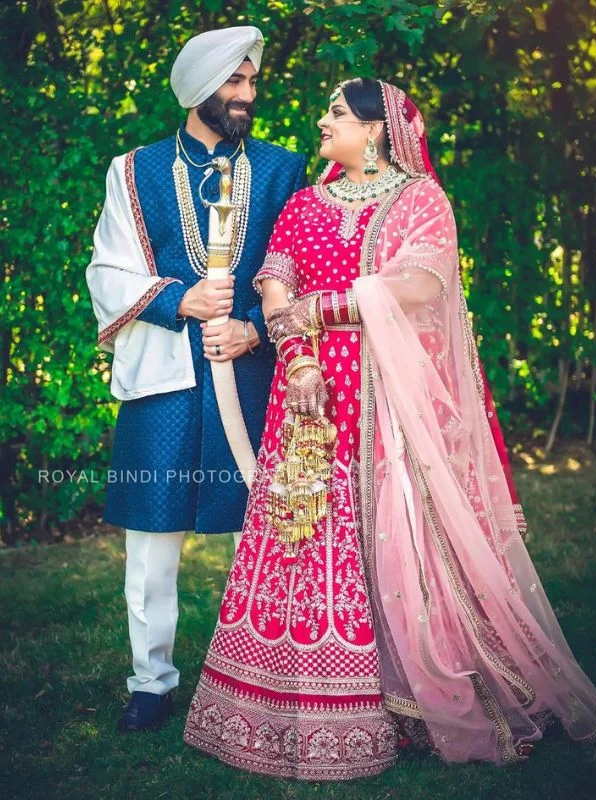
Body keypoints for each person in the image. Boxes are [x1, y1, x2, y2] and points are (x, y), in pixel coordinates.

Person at [183, 77, 596, 778]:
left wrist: (323, 310)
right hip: (311, 400)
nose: (322, 121)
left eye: (337, 113)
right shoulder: (304, 205)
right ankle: (308, 701)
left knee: (399, 535)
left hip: (391, 404)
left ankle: (412, 691)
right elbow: (275, 284)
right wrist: (300, 358)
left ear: (375, 131)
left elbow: (422, 285)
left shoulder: (419, 202)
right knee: (307, 535)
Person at [86, 26, 306, 733]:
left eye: (250, 82)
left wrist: (250, 326)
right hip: (164, 381)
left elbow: (297, 270)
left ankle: (271, 672)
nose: (246, 95)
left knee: (270, 529)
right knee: (150, 542)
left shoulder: (281, 168)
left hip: (251, 375)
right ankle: (151, 683)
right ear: (195, 89)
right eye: (232, 83)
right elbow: (106, 270)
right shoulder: (134, 170)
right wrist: (179, 298)